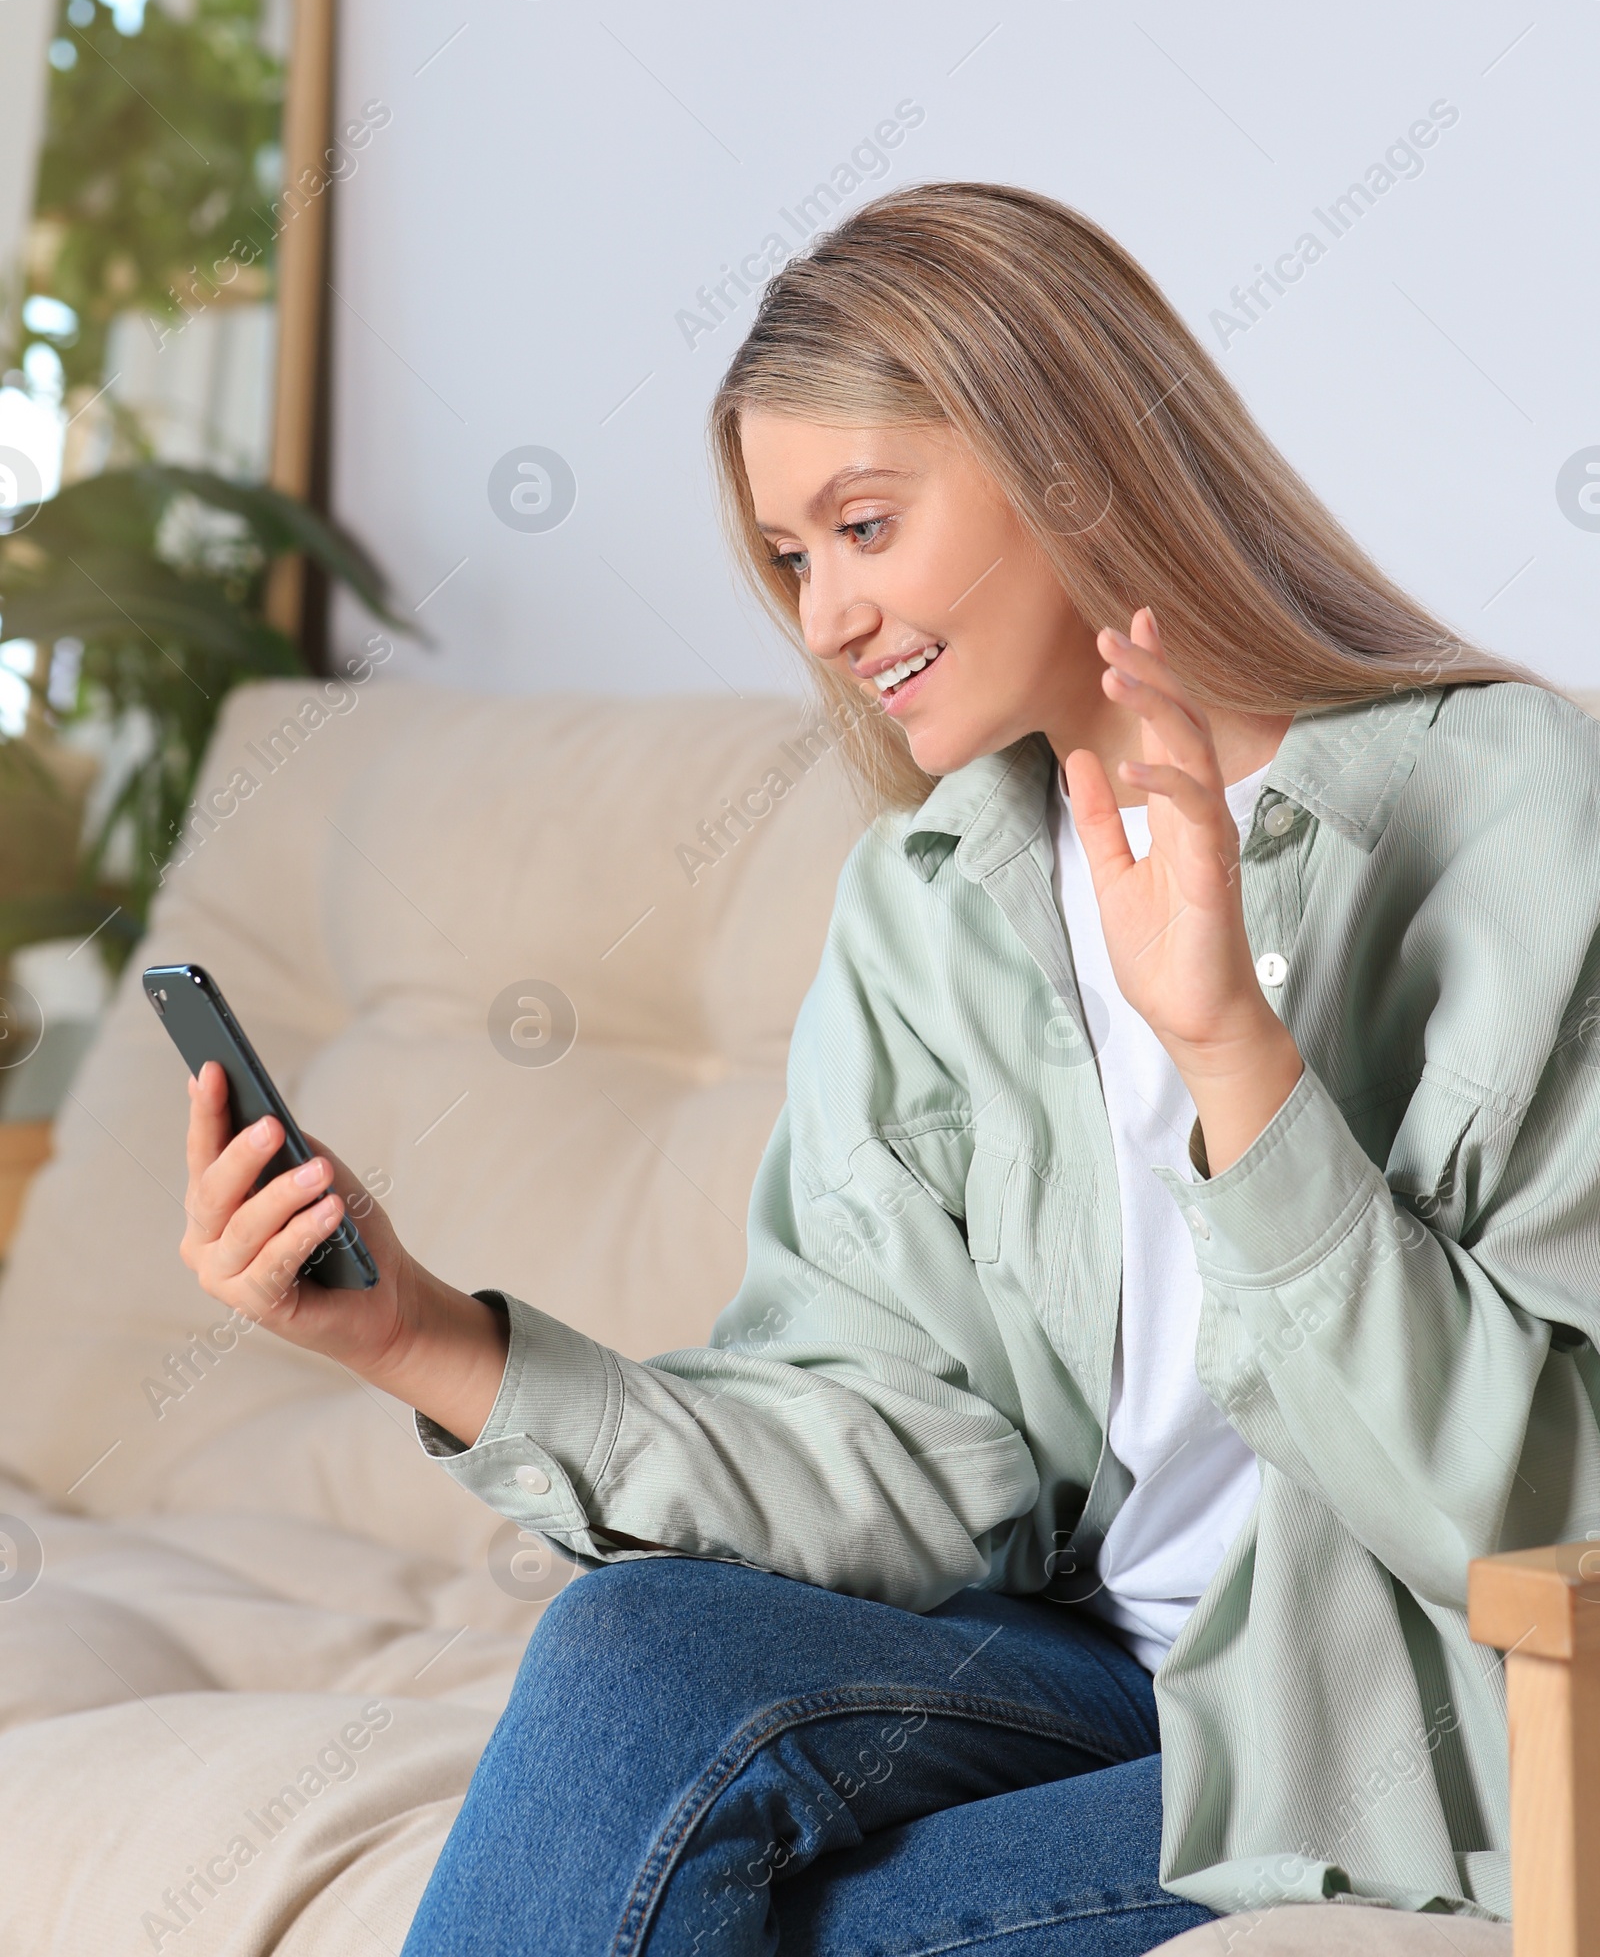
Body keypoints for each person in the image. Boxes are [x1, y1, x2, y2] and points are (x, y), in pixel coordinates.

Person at [179, 185, 1600, 1954]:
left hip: (1384, 1725)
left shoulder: (1513, 813)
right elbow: (908, 1448)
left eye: (864, 524)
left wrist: (1234, 1056)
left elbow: (1537, 1517)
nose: (826, 616)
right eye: (792, 557)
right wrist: (424, 1339)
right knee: (639, 1648)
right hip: (1087, 1664)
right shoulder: (932, 902)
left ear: (1066, 453)